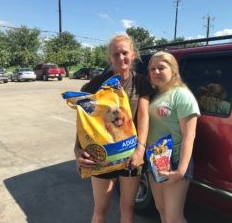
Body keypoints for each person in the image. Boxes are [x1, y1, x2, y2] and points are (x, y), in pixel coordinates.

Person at [74, 34, 155, 223]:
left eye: (125, 53)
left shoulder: (141, 82)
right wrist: (77, 149)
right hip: (102, 154)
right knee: (100, 209)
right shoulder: (96, 84)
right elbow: (84, 121)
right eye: (115, 54)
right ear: (109, 58)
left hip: (130, 155)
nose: (121, 58)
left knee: (128, 207)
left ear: (133, 55)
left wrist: (140, 150)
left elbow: (143, 117)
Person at [147, 51, 200, 223]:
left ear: (174, 70)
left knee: (173, 217)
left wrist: (180, 171)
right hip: (155, 161)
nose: (156, 72)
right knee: (161, 209)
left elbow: (189, 135)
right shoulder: (154, 96)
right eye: (152, 69)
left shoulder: (182, 95)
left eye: (161, 67)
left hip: (175, 161)